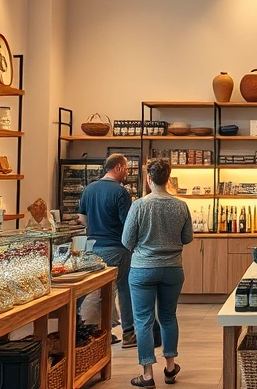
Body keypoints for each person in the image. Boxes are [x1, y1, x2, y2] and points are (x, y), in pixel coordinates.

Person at [123, 159, 193, 387]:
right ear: (169, 179)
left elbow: (126, 240)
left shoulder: (139, 206)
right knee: (168, 316)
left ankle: (147, 375)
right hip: (172, 268)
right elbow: (187, 238)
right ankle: (171, 369)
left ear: (148, 179)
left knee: (143, 320)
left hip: (143, 268)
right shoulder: (181, 205)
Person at [77, 153, 136, 348]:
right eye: (126, 168)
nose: (127, 172)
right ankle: (129, 333)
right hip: (117, 247)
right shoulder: (120, 192)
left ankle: (101, 333)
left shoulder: (89, 189)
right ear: (118, 167)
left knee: (98, 290)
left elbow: (83, 219)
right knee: (124, 289)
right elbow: (128, 224)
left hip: (93, 247)